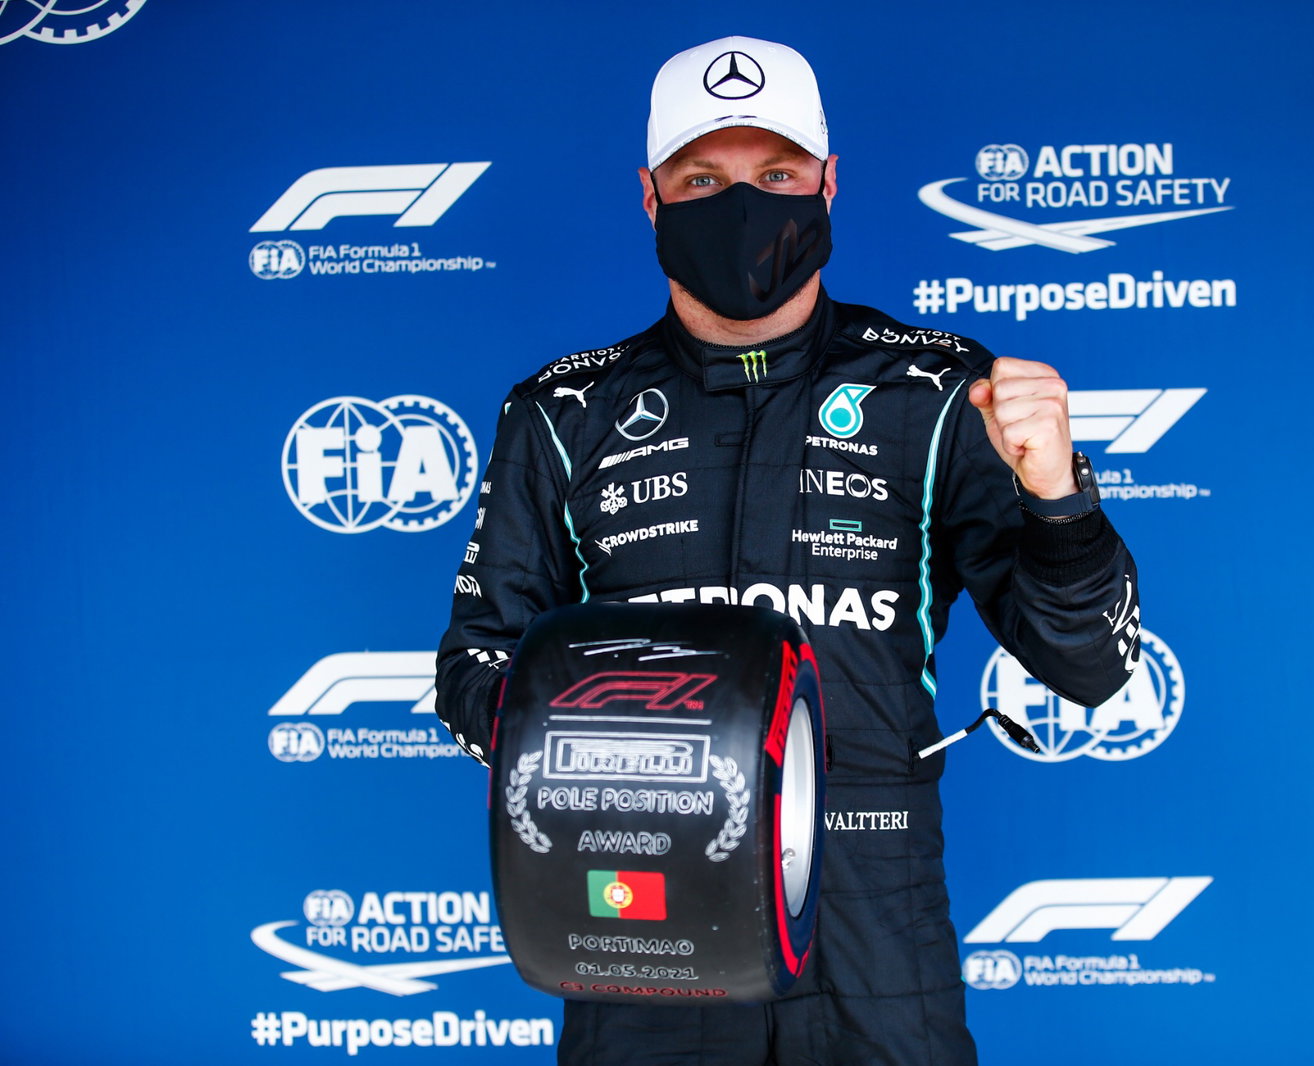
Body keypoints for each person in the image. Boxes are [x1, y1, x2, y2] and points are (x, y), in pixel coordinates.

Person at [436, 35, 1140, 1066]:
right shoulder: (563, 411)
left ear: (828, 182)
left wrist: (1057, 497)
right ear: (650, 196)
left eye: (774, 176)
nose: (742, 204)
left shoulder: (938, 392)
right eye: (702, 178)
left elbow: (1088, 666)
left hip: (874, 912)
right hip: (640, 907)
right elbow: (474, 666)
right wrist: (621, 763)